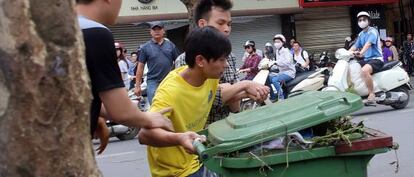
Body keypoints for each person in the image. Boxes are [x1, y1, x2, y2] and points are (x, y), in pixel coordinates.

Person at [139, 26, 263, 177]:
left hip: (196, 161)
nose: (226, 65)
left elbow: (214, 95)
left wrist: (245, 89)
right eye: (221, 59)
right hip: (177, 172)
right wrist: (179, 138)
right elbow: (144, 135)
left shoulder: (207, 77)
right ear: (200, 60)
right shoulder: (170, 93)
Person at [76, 0, 192, 154]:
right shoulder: (96, 33)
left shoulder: (55, 27)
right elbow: (121, 111)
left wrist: (95, 112)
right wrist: (150, 119)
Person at [174, 0, 269, 125]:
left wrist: (248, 93)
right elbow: (205, 98)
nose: (226, 29)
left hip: (225, 128)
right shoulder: (185, 59)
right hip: (199, 133)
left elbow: (233, 105)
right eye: (220, 23)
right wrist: (244, 86)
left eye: (229, 24)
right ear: (202, 24)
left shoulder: (230, 57)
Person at [134, 21, 180, 104]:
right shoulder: (145, 47)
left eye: (159, 29)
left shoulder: (171, 45)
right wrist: (137, 86)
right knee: (155, 105)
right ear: (150, 32)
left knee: (170, 104)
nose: (157, 31)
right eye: (154, 29)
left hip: (169, 80)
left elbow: (178, 63)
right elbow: (140, 67)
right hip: (152, 81)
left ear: (163, 31)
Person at [348, 11, 384, 103]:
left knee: (364, 70)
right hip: (367, 60)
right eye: (360, 20)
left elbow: (368, 44)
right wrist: (346, 53)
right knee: (352, 68)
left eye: (364, 19)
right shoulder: (361, 34)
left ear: (368, 21)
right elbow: (355, 46)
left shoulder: (373, 31)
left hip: (376, 59)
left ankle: (372, 93)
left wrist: (361, 53)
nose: (362, 21)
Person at [268, 34, 296, 101]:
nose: (276, 43)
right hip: (282, 72)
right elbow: (278, 62)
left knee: (275, 80)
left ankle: (281, 97)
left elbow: (287, 63)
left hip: (289, 72)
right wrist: (271, 64)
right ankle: (273, 96)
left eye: (278, 41)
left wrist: (276, 62)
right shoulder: (277, 51)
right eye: (275, 42)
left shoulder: (286, 51)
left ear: (283, 42)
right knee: (268, 78)